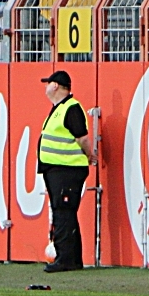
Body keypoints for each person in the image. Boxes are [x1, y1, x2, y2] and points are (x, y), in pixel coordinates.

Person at [37, 70, 95, 273]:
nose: (45, 87)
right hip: (57, 169)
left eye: (48, 83)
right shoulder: (59, 108)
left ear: (55, 86)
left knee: (63, 212)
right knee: (64, 212)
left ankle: (65, 259)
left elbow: (82, 138)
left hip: (67, 169)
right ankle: (72, 258)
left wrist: (90, 155)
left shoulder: (71, 108)